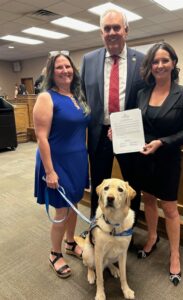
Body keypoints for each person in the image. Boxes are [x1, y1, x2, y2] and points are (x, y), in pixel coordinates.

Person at [135, 42, 183, 286]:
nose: (159, 65)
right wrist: (117, 135)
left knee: (170, 208)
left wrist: (162, 141)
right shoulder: (142, 93)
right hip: (144, 158)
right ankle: (152, 238)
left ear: (173, 63)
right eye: (155, 61)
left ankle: (175, 254)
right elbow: (136, 124)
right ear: (150, 66)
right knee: (148, 200)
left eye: (164, 60)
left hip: (168, 157)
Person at [80, 8, 146, 223]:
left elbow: (147, 99)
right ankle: (96, 225)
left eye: (116, 27)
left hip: (129, 135)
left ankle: (129, 227)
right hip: (99, 135)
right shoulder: (89, 60)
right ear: (101, 33)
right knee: (100, 184)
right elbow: (82, 97)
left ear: (126, 31)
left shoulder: (143, 60)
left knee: (130, 185)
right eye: (106, 28)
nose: (111, 32)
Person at [33, 51, 90, 278]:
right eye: (59, 67)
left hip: (77, 160)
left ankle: (70, 243)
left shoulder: (76, 96)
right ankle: (55, 254)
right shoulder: (47, 97)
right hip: (56, 162)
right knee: (62, 210)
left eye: (68, 67)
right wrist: (49, 171)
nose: (65, 71)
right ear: (51, 72)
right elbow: (41, 137)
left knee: (74, 204)